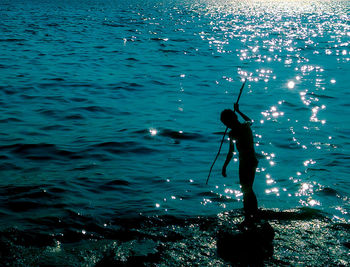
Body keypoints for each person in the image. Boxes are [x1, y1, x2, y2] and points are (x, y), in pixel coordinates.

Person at [221, 103, 259, 224]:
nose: (226, 126)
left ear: (231, 120)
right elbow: (231, 152)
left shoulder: (239, 130)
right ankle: (250, 214)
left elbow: (231, 152)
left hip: (248, 161)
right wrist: (224, 166)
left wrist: (238, 111)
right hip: (247, 161)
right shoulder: (241, 129)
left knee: (247, 189)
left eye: (226, 123)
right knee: (247, 189)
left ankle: (250, 215)